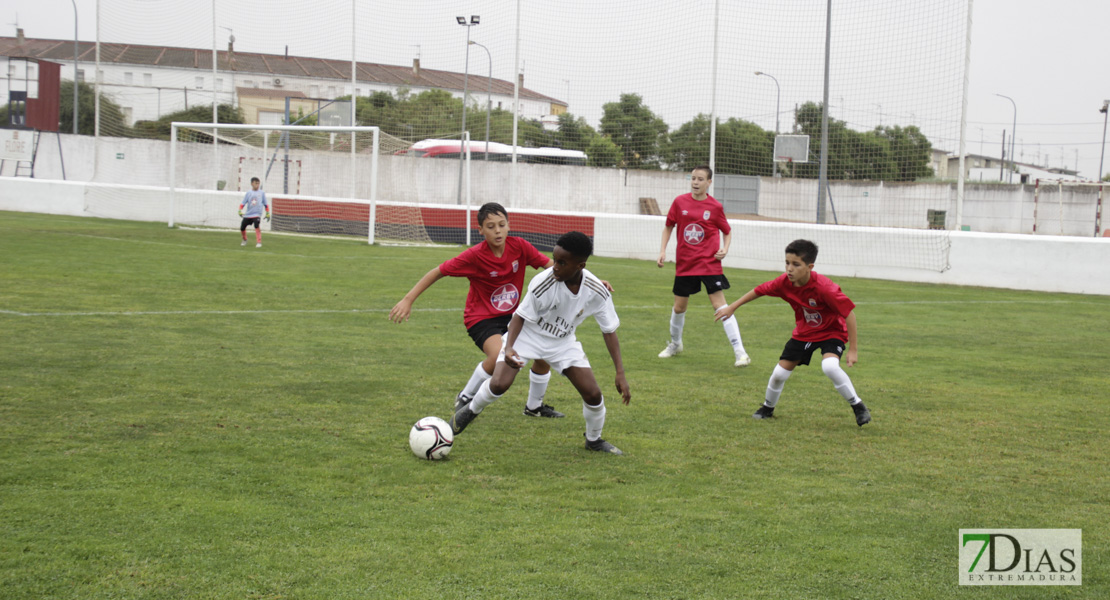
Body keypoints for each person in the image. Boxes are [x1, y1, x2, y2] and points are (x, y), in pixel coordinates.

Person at [451, 231, 632, 454]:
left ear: (580, 265)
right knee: (499, 383)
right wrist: (508, 349)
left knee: (593, 394)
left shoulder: (597, 291)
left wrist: (620, 372)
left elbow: (609, 331)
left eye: (562, 262)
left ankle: (594, 440)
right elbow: (519, 317)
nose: (554, 266)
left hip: (563, 343)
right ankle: (470, 410)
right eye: (554, 259)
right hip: (528, 335)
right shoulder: (544, 282)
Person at [389, 202, 564, 419]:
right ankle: (466, 395)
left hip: (514, 317)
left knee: (543, 349)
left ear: (509, 225)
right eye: (490, 226)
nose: (497, 230)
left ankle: (534, 407)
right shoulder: (474, 256)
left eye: (501, 224)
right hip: (481, 319)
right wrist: (408, 299)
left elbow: (553, 267)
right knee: (499, 357)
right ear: (480, 230)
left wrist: (587, 281)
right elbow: (438, 271)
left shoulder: (519, 246)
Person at [715, 239, 871, 427]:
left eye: (796, 264)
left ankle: (858, 406)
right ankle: (767, 408)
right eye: (787, 263)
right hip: (804, 333)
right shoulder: (784, 282)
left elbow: (849, 315)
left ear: (809, 267)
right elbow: (759, 290)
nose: (789, 269)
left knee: (830, 367)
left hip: (832, 332)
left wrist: (853, 350)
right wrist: (732, 307)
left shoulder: (824, 288)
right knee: (779, 374)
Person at [656, 165, 750, 367]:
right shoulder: (679, 202)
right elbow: (668, 226)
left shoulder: (715, 207)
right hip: (685, 264)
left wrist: (725, 248)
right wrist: (662, 250)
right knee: (679, 307)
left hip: (709, 264)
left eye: (700, 179)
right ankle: (675, 344)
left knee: (720, 306)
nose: (695, 182)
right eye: (693, 178)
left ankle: (740, 352)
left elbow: (727, 231)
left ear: (709, 182)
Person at [239, 177, 270, 248]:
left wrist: (267, 213)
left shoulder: (262, 193)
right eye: (256, 183)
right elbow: (243, 203)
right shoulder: (249, 193)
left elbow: (266, 204)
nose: (257, 185)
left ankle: (259, 242)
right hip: (248, 214)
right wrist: (240, 210)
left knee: (256, 225)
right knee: (242, 227)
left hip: (257, 214)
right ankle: (244, 239)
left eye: (258, 183)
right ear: (252, 184)